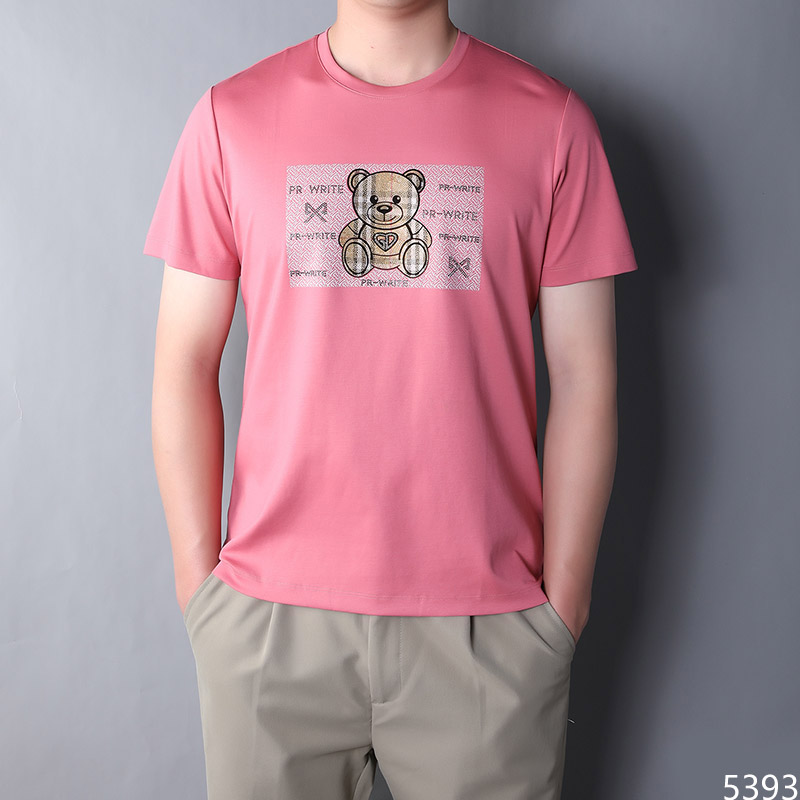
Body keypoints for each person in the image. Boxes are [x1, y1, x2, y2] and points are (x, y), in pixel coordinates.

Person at [143, 1, 638, 798]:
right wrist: (202, 595)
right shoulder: (230, 119)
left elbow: (584, 376)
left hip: (490, 627)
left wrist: (561, 609)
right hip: (268, 624)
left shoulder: (553, 126)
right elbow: (183, 362)